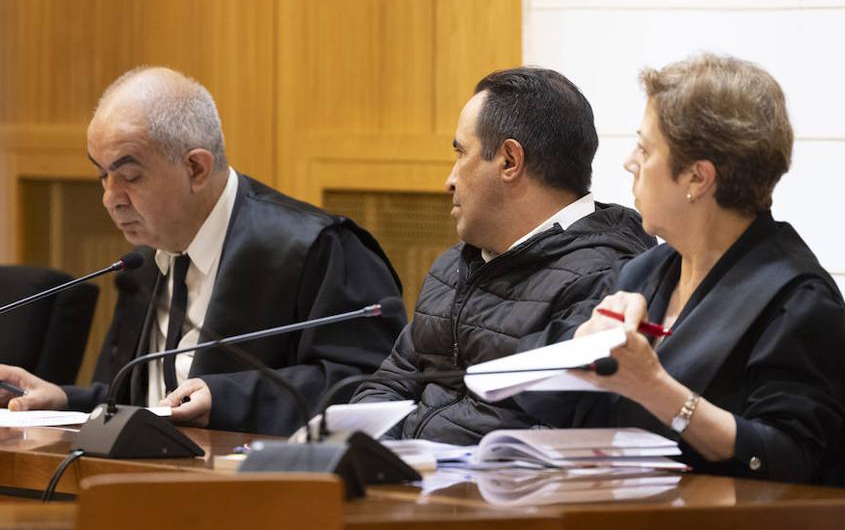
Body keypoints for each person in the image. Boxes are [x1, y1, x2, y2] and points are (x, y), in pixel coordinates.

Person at [520, 53, 845, 484]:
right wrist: (581, 343)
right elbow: (531, 395)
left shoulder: (797, 301)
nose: (630, 162)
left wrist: (656, 389)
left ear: (698, 178)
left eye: (645, 149)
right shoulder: (642, 275)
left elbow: (790, 458)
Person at [0, 67, 405, 435]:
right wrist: (68, 401)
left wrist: (229, 399)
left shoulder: (317, 249)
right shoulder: (145, 258)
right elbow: (142, 400)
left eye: (128, 176)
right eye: (102, 176)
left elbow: (369, 386)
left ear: (196, 168)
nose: (110, 199)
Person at [352, 67, 654, 443]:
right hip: (410, 483)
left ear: (510, 161)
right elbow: (390, 385)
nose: (449, 180)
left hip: (488, 494)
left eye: (461, 153)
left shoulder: (604, 276)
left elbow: (545, 437)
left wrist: (412, 457)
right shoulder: (453, 265)